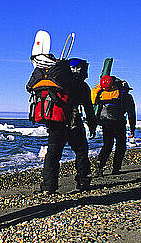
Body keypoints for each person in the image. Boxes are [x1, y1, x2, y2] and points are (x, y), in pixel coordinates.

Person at [26, 58, 97, 193]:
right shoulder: (81, 85)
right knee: (81, 151)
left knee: (53, 153)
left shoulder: (57, 82)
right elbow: (88, 108)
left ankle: (48, 187)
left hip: (55, 123)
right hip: (73, 123)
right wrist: (92, 125)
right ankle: (83, 183)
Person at [91, 75, 136, 176]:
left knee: (107, 145)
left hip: (105, 122)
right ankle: (116, 168)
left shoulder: (102, 94)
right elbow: (131, 114)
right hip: (118, 123)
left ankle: (100, 165)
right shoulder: (127, 97)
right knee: (121, 146)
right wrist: (132, 129)